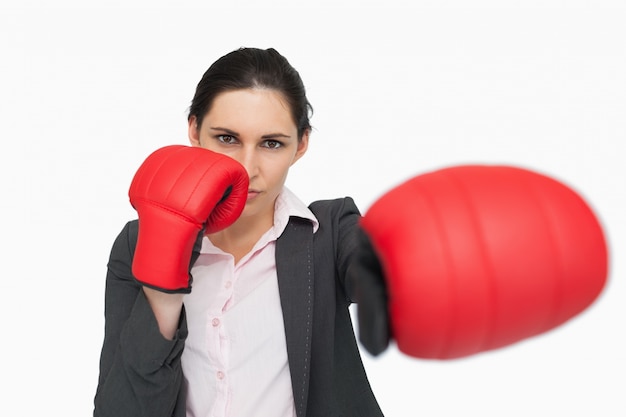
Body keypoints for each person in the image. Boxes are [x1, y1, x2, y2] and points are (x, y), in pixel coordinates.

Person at [93, 47, 386, 417]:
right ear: (194, 131)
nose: (247, 168)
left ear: (302, 144)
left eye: (271, 143)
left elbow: (389, 277)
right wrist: (163, 292)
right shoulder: (137, 242)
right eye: (227, 138)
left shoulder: (329, 232)